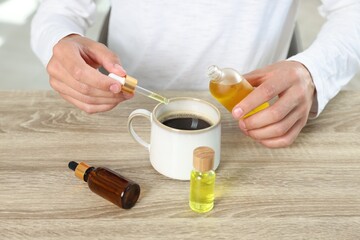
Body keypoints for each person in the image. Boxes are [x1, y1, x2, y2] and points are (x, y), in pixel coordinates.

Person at [31, 0, 360, 148]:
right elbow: (59, 9)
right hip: (123, 114)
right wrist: (60, 42)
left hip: (250, 124)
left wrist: (313, 70)